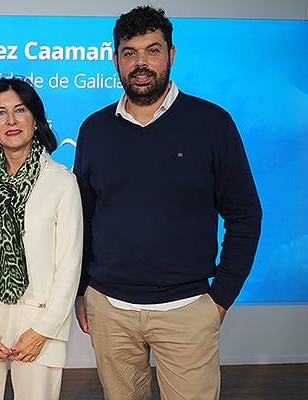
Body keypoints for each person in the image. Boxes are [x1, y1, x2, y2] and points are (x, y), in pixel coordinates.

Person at [73, 6, 262, 400]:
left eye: (152, 50)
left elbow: (244, 213)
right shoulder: (94, 129)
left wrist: (220, 299)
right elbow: (83, 216)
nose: (141, 63)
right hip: (109, 310)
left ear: (171, 55)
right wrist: (81, 291)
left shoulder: (212, 123)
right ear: (116, 59)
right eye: (130, 53)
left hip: (187, 310)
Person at [0, 77, 83, 400]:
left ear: (35, 120)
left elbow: (69, 266)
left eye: (20, 110)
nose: (10, 120)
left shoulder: (63, 183)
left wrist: (43, 330)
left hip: (40, 327)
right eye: (0, 113)